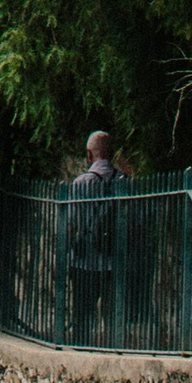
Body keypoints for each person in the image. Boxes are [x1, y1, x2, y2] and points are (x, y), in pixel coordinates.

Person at [67, 128, 122, 345]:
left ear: (89, 155)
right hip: (115, 262)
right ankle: (112, 353)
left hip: (84, 263)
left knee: (81, 317)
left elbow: (71, 224)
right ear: (113, 153)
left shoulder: (81, 184)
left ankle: (81, 351)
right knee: (112, 317)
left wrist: (68, 250)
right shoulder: (125, 182)